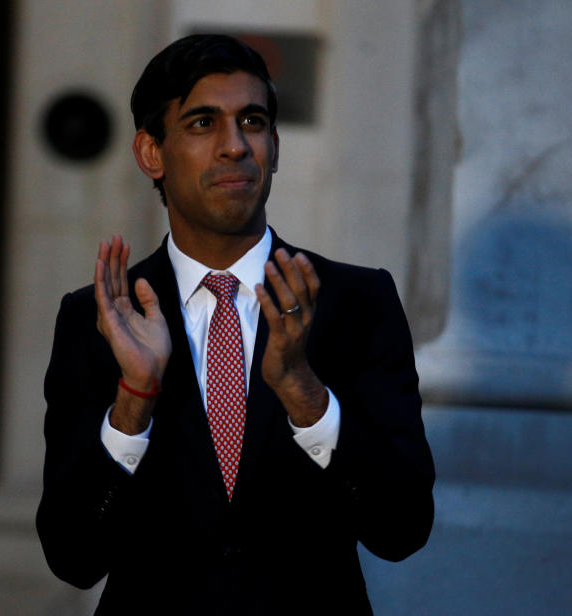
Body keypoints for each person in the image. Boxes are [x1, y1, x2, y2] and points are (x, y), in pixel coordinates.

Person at [37, 34, 435, 615]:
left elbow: (402, 529)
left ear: (274, 143)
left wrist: (305, 393)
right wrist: (135, 398)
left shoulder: (356, 301)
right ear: (151, 152)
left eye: (252, 121)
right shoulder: (98, 316)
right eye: (202, 123)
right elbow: (73, 556)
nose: (234, 146)